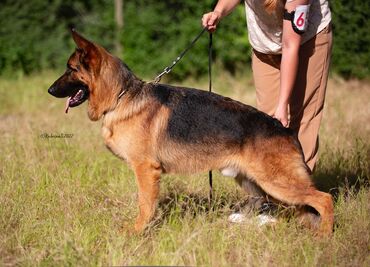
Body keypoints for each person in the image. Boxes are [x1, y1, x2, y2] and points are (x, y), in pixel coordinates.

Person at [202, 0, 332, 221]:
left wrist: (283, 105)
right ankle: (268, 201)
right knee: (264, 126)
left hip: (307, 42)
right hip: (264, 44)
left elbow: (291, 46)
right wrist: (218, 11)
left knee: (300, 120)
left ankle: (304, 202)